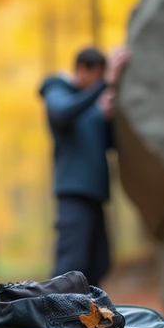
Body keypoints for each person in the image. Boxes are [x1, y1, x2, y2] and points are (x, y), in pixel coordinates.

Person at [39, 46, 131, 287]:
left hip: (95, 194)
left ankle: (87, 319)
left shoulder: (92, 105)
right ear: (82, 70)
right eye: (98, 77)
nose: (101, 83)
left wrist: (107, 117)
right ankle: (53, 317)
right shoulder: (56, 88)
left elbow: (109, 144)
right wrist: (103, 86)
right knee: (70, 265)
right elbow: (62, 113)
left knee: (99, 262)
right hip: (73, 193)